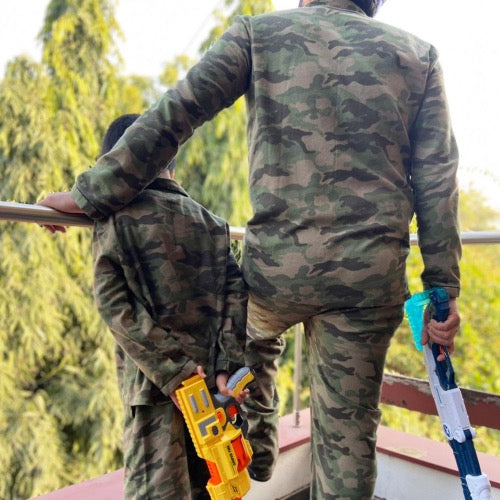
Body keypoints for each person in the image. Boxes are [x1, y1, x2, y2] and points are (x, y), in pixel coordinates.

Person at [38, 0, 462, 497]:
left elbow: (176, 113)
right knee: (349, 440)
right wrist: (441, 287)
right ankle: (256, 433)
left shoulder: (259, 34)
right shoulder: (419, 55)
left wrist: (93, 192)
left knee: (245, 353)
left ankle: (254, 436)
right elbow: (437, 179)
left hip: (275, 277)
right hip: (367, 282)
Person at [62, 113, 249, 499]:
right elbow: (237, 300)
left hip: (153, 394)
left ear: (118, 163)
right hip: (215, 394)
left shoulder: (116, 222)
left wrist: (177, 373)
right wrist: (224, 371)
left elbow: (116, 309)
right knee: (215, 487)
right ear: (172, 164)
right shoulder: (213, 225)